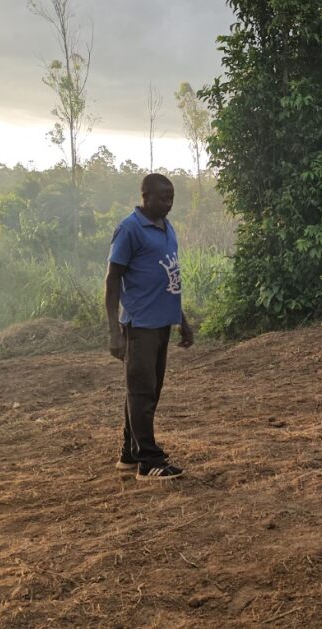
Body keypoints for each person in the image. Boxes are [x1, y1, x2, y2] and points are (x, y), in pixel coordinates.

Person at [104, 173, 194, 481]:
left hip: (162, 323)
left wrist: (181, 320)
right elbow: (112, 279)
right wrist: (114, 331)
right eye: (163, 198)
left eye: (172, 198)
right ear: (146, 197)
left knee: (146, 392)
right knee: (142, 393)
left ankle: (130, 454)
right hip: (139, 325)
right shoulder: (129, 229)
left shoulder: (166, 227)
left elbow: (170, 278)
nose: (169, 204)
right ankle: (148, 462)